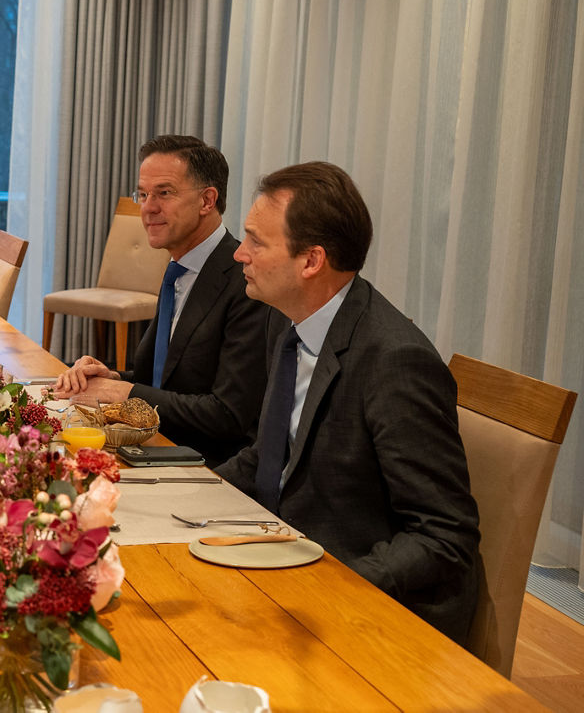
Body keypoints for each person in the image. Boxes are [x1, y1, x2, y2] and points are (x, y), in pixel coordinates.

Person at [218, 161, 480, 641]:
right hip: (285, 558)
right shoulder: (288, 319)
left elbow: (444, 537)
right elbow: (272, 451)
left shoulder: (395, 361)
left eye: (257, 241)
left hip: (368, 608)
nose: (240, 253)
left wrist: (332, 586)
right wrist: (188, 496)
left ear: (311, 261)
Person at [53, 136, 270, 466]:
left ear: (207, 200)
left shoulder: (246, 282)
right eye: (143, 194)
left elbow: (228, 416)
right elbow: (165, 380)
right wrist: (111, 378)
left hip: (203, 468)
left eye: (164, 193)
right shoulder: (179, 269)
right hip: (151, 444)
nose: (147, 207)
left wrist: (127, 394)